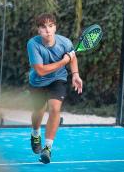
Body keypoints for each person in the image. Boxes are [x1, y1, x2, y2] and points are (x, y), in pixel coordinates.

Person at [27, 13, 83, 164]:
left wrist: (75, 75)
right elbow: (41, 70)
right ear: (38, 30)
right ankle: (35, 133)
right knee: (38, 111)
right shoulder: (33, 44)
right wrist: (64, 60)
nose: (48, 30)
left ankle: (47, 148)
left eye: (51, 26)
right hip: (37, 82)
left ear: (55, 27)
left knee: (54, 109)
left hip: (57, 80)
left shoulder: (65, 42)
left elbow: (73, 57)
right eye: (43, 27)